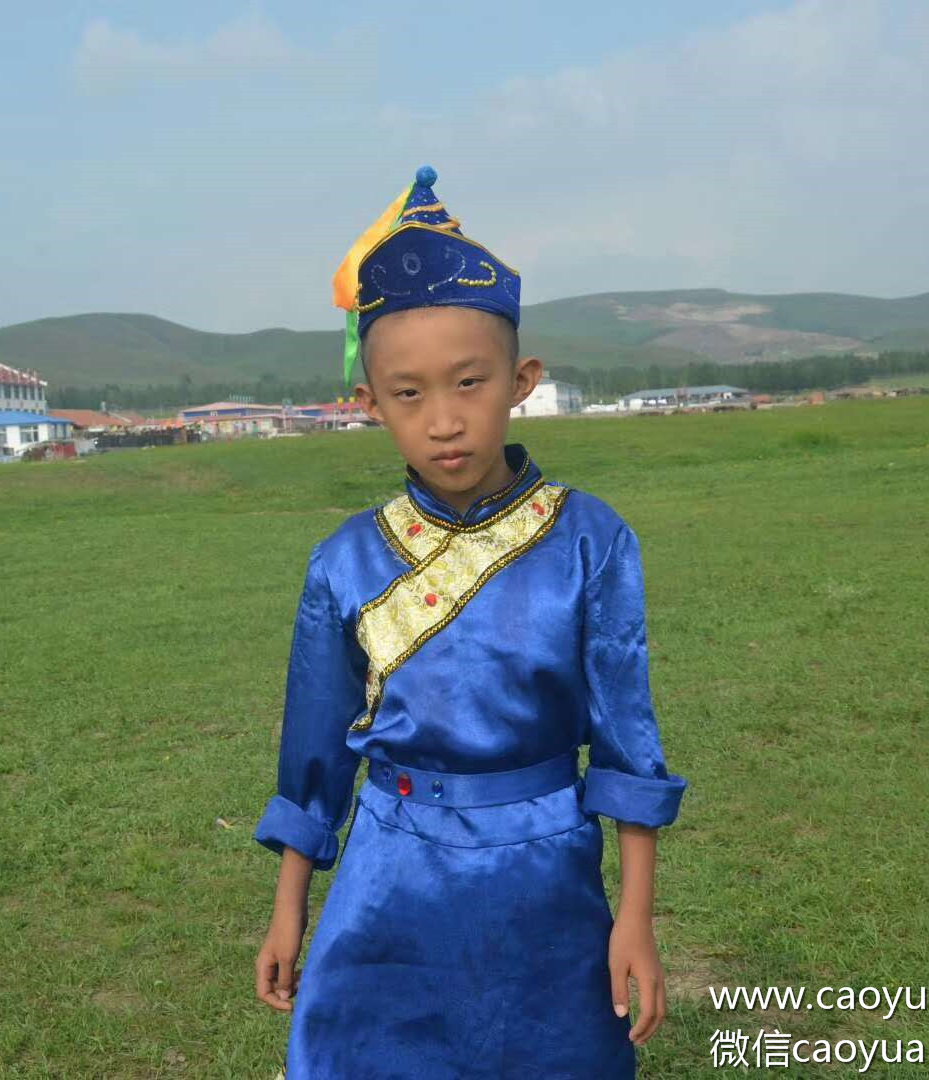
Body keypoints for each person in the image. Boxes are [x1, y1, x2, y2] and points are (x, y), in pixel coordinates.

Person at [252, 165, 689, 1078]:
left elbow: (625, 742)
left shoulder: (588, 541)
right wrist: (293, 902)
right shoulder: (346, 561)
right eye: (408, 394)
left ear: (522, 379)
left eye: (469, 383)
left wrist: (636, 916)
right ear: (368, 403)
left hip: (543, 879)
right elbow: (316, 747)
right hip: (385, 879)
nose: (444, 420)